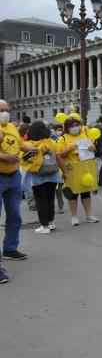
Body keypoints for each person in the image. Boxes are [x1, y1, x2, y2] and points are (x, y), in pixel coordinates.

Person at [0, 100, 37, 282]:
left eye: (7, 109)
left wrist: (29, 148)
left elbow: (17, 145)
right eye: (1, 110)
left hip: (13, 176)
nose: (5, 112)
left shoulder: (12, 127)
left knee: (15, 215)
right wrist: (2, 156)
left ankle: (10, 248)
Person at [56, 117, 99, 226]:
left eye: (76, 125)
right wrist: (70, 149)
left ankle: (89, 215)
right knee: (72, 194)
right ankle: (74, 217)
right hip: (71, 168)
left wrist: (93, 148)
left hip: (85, 167)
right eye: (72, 126)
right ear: (67, 128)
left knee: (86, 192)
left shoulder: (84, 135)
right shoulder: (63, 139)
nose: (75, 128)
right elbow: (59, 155)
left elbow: (92, 149)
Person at [25, 121, 66, 234]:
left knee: (41, 201)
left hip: (38, 176)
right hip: (53, 175)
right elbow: (58, 158)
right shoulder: (52, 142)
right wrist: (64, 171)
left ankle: (44, 225)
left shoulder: (30, 144)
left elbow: (24, 160)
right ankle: (51, 223)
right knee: (50, 199)